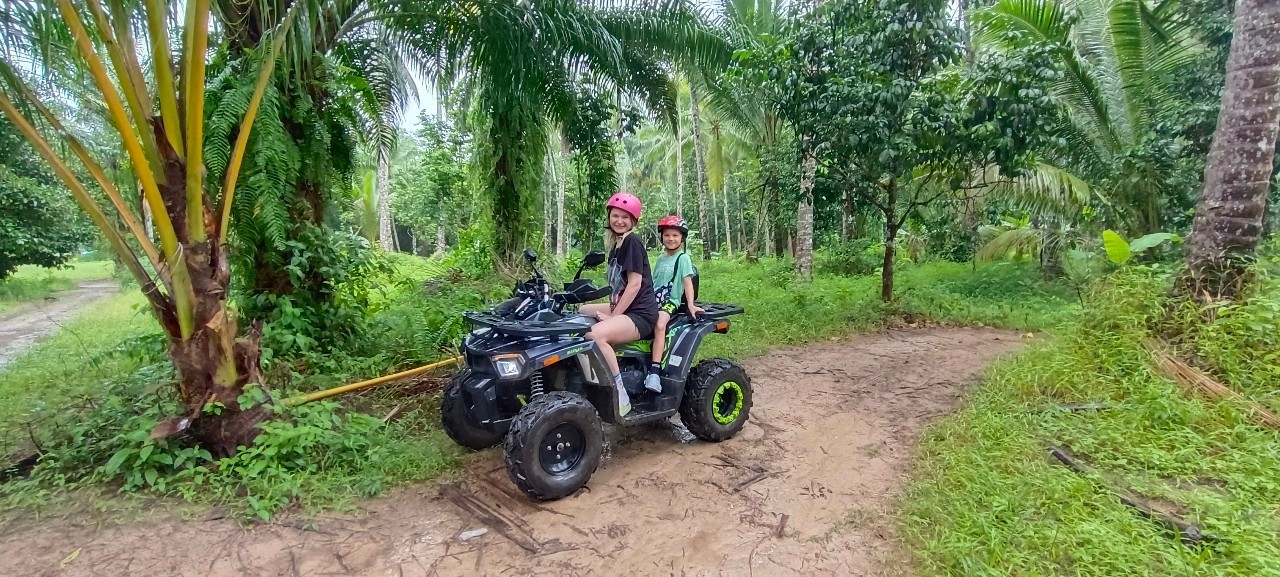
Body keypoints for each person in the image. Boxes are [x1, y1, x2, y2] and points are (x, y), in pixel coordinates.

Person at [579, 193, 659, 417]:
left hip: (641, 313)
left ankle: (619, 392)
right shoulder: (616, 245)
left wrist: (613, 317)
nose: (619, 220)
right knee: (580, 313)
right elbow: (617, 287)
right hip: (623, 306)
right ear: (609, 217)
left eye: (625, 217)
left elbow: (634, 285)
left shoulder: (632, 241)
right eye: (616, 215)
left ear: (633, 220)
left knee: (595, 335)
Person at [644, 215, 702, 393]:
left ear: (682, 238)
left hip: (670, 301)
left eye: (675, 236)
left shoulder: (683, 258)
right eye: (667, 235)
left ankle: (654, 371)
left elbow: (687, 282)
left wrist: (690, 304)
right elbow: (653, 282)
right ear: (662, 237)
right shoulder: (661, 259)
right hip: (654, 298)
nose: (671, 239)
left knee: (660, 324)